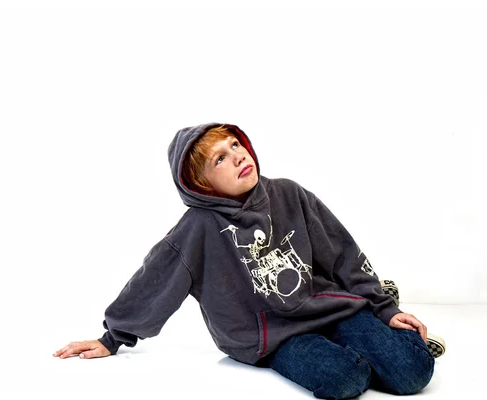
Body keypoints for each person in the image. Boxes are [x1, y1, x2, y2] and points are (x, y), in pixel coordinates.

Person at [53, 123, 439, 399]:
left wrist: (384, 310)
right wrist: (112, 338)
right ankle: (362, 353)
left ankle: (377, 333)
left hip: (329, 307)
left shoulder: (289, 193)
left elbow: (342, 253)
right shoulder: (197, 229)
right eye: (220, 158)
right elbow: (153, 283)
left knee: (412, 372)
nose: (238, 156)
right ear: (200, 184)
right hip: (272, 335)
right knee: (344, 381)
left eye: (236, 144)